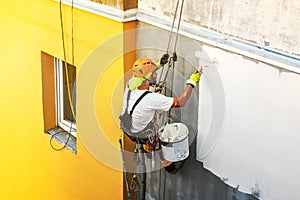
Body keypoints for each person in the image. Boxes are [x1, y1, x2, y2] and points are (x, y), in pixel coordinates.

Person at [121, 55, 203, 174]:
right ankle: (168, 165)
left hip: (128, 128)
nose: (156, 75)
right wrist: (192, 82)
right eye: (154, 73)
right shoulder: (152, 98)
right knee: (159, 144)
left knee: (147, 125)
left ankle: (146, 147)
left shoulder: (130, 85)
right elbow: (181, 102)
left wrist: (159, 64)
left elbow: (145, 78)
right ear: (148, 77)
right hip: (141, 132)